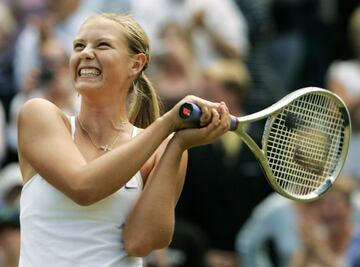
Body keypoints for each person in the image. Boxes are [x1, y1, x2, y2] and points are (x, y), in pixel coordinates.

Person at [17, 13, 231, 267]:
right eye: (79, 46)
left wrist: (178, 145)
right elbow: (83, 188)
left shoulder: (162, 148)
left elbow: (140, 242)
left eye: (102, 45)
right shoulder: (38, 114)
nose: (85, 53)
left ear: (136, 64)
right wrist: (167, 124)